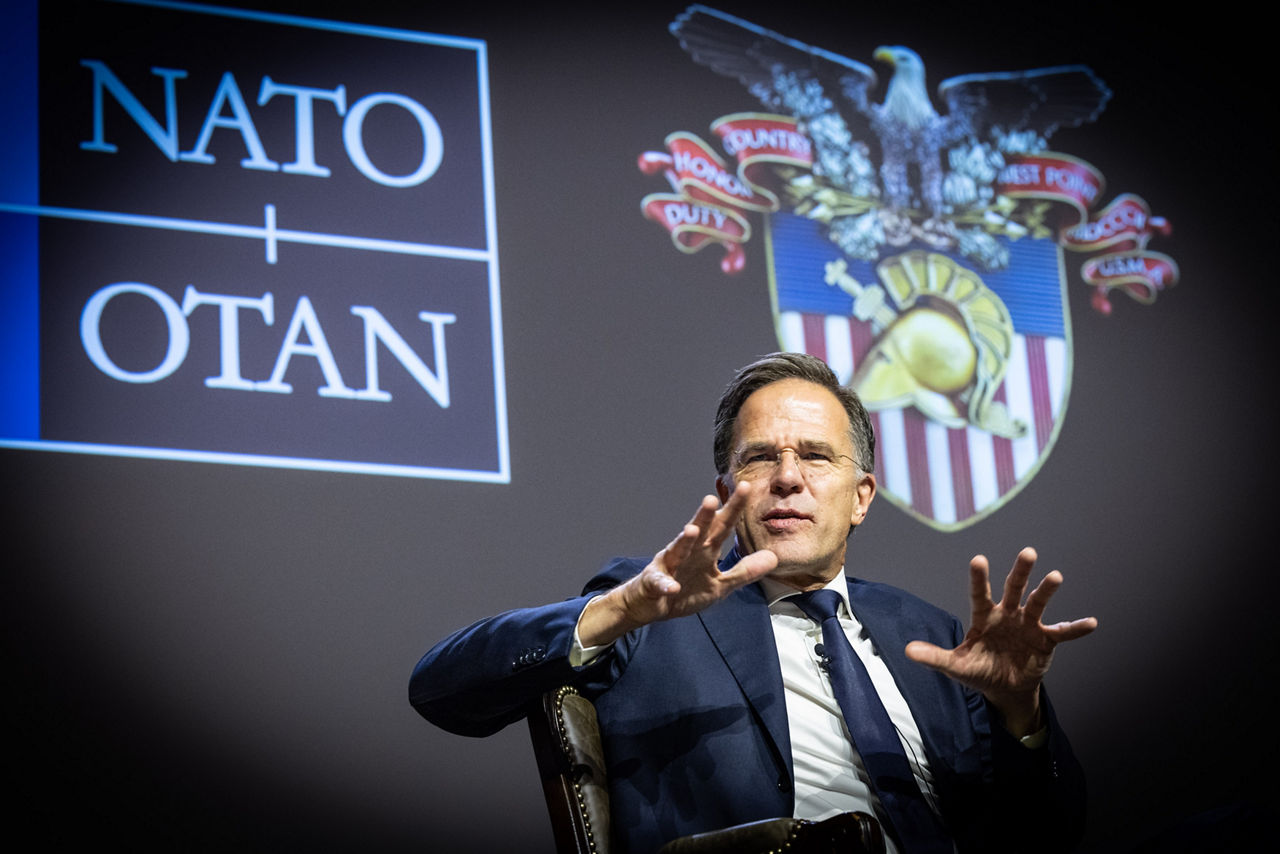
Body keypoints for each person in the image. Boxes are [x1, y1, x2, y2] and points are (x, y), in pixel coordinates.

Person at [410, 352, 1096, 854]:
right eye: (760, 458)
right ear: (727, 485)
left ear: (861, 496)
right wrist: (618, 612)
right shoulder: (659, 611)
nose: (788, 478)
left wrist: (1020, 715)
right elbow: (440, 690)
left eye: (817, 457)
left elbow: (1052, 834)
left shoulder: (931, 637)